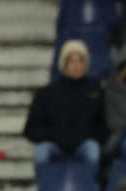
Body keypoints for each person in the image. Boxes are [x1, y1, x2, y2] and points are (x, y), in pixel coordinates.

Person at [24, 40, 109, 177]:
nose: (76, 66)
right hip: (54, 145)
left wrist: (85, 135)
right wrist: (54, 136)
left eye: (80, 61)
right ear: (64, 64)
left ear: (86, 64)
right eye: (72, 61)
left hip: (83, 145)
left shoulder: (96, 93)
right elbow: (30, 129)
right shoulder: (46, 94)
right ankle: (46, 190)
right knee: (41, 152)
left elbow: (104, 129)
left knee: (92, 150)